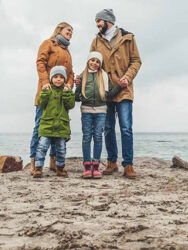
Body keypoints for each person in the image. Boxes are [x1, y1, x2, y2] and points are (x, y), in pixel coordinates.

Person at [89, 9, 142, 179]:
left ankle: (128, 164)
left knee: (126, 128)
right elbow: (91, 63)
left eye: (99, 21)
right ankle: (112, 162)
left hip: (124, 90)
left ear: (108, 21)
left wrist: (127, 77)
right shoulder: (96, 41)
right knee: (108, 128)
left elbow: (136, 61)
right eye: (96, 21)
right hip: (105, 91)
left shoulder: (128, 38)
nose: (97, 24)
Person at [31, 22, 74, 175]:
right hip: (46, 93)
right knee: (40, 128)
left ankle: (54, 162)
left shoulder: (67, 51)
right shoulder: (48, 44)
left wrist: (69, 86)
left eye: (72, 32)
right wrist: (45, 83)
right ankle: (34, 163)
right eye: (68, 30)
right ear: (59, 30)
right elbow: (40, 63)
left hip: (61, 98)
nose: (70, 33)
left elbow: (71, 74)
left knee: (58, 131)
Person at [74, 52, 123, 179]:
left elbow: (109, 94)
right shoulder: (82, 76)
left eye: (97, 61)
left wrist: (119, 86)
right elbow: (76, 98)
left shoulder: (104, 76)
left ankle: (95, 166)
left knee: (98, 137)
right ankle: (86, 166)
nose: (94, 63)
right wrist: (77, 86)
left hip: (101, 111)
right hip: (86, 111)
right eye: (92, 60)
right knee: (86, 137)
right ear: (88, 61)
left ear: (100, 64)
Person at [33, 66, 75, 178]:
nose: (58, 79)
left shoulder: (67, 91)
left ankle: (60, 168)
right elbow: (41, 104)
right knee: (42, 147)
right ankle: (38, 168)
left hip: (61, 126)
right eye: (55, 77)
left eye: (61, 77)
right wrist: (44, 92)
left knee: (61, 149)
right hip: (47, 125)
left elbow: (71, 105)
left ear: (65, 79)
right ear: (51, 78)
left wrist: (67, 93)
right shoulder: (47, 90)